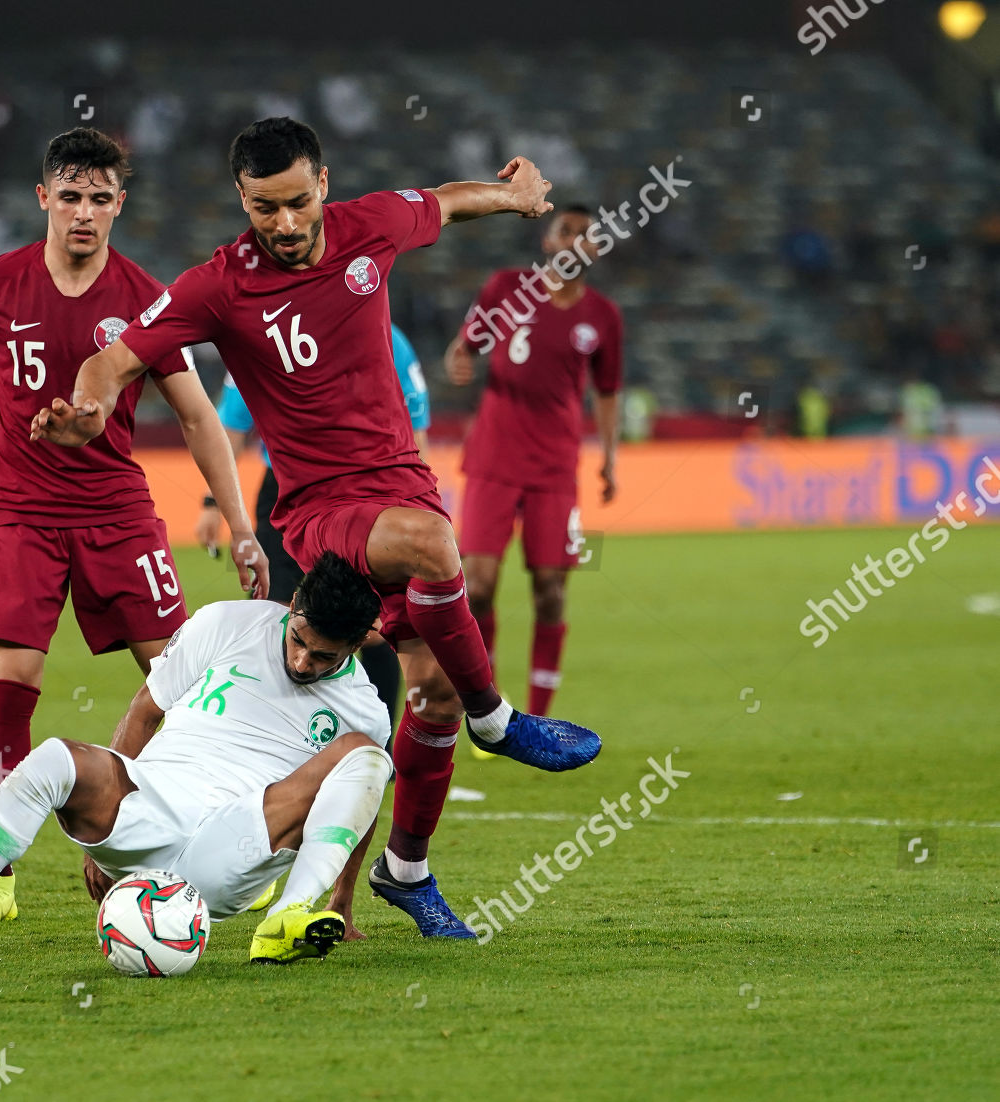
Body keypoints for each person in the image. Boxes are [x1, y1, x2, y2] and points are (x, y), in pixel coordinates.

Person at [31, 117, 600, 941]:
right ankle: (498, 722)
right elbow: (113, 358)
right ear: (243, 198)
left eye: (299, 203)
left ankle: (406, 869)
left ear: (324, 185)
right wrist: (86, 408)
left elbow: (443, 201)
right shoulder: (217, 285)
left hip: (401, 486)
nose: (287, 225)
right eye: (266, 208)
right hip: (321, 512)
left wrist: (511, 197)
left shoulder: (370, 226)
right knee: (438, 553)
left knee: (428, 690)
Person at [0, 128, 265, 930]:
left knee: (187, 686)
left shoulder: (145, 299)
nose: (85, 213)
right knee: (12, 684)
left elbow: (198, 415)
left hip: (116, 516)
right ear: (43, 200)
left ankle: (214, 839)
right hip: (18, 514)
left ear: (120, 205)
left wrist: (239, 523)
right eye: (71, 196)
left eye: (101, 198)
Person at [0, 553, 393, 973]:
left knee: (368, 757)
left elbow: (358, 806)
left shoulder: (363, 709)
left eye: (324, 657)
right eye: (299, 641)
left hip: (240, 838)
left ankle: (286, 918)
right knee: (54, 758)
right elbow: (142, 714)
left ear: (360, 642)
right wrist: (111, 843)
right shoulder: (228, 623)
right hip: (151, 807)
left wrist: (342, 901)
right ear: (294, 602)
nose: (303, 661)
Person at [445, 205, 622, 747]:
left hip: (554, 468)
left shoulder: (603, 318)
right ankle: (489, 713)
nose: (574, 241)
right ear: (547, 240)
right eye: (565, 230)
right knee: (476, 587)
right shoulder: (505, 289)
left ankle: (540, 719)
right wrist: (459, 360)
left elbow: (608, 392)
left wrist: (610, 459)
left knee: (549, 590)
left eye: (586, 235)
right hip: (494, 459)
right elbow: (463, 347)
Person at [195, 323, 431, 725]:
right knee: (279, 618)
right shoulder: (263, 330)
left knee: (370, 628)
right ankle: (283, 740)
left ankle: (378, 745)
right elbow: (229, 425)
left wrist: (409, 506)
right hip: (286, 494)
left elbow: (416, 429)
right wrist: (211, 502)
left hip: (365, 494)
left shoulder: (389, 338)